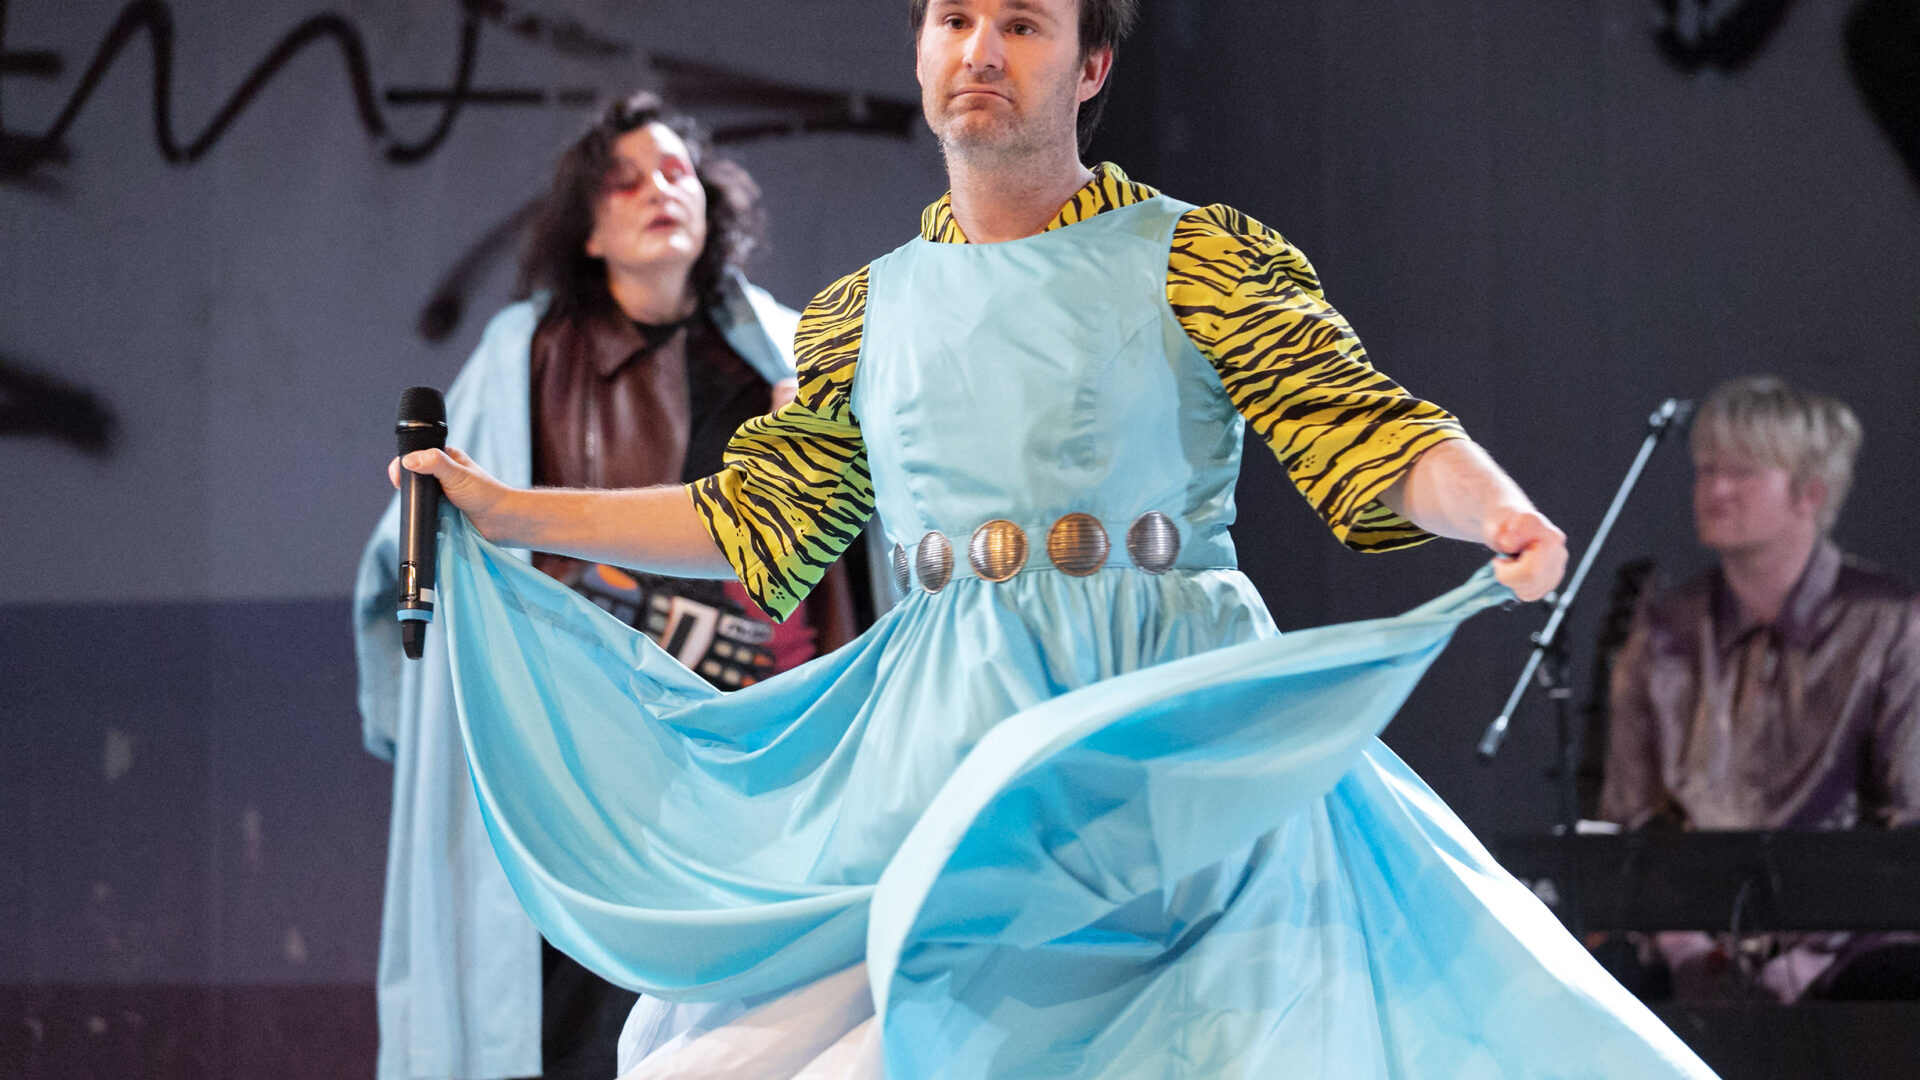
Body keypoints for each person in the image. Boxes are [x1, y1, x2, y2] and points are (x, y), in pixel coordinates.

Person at [394, 1, 1721, 1075]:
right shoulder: (864, 314)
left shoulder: (1191, 256)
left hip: (1147, 743)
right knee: (707, 1069)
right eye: (954, 19)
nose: (980, 51)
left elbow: (1361, 425)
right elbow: (759, 522)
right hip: (936, 748)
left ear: (1089, 65)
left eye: (1021, 24)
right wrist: (506, 511)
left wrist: (1490, 507)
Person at [354, 93, 867, 1080]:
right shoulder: (525, 357)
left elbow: (839, 562)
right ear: (589, 229)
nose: (659, 191)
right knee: (574, 1012)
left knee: (740, 1027)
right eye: (627, 180)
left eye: (677, 171)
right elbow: (417, 554)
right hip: (584, 749)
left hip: (745, 758)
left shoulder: (790, 352)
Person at [1600, 374, 1920, 1002]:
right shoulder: (1664, 628)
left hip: (1852, 945)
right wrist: (1688, 948)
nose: (1715, 489)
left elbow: (1909, 823)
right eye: (1706, 469)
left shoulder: (1891, 621)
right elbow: (1633, 819)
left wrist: (1807, 958)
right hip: (1692, 936)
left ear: (1810, 493)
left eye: (1743, 472)